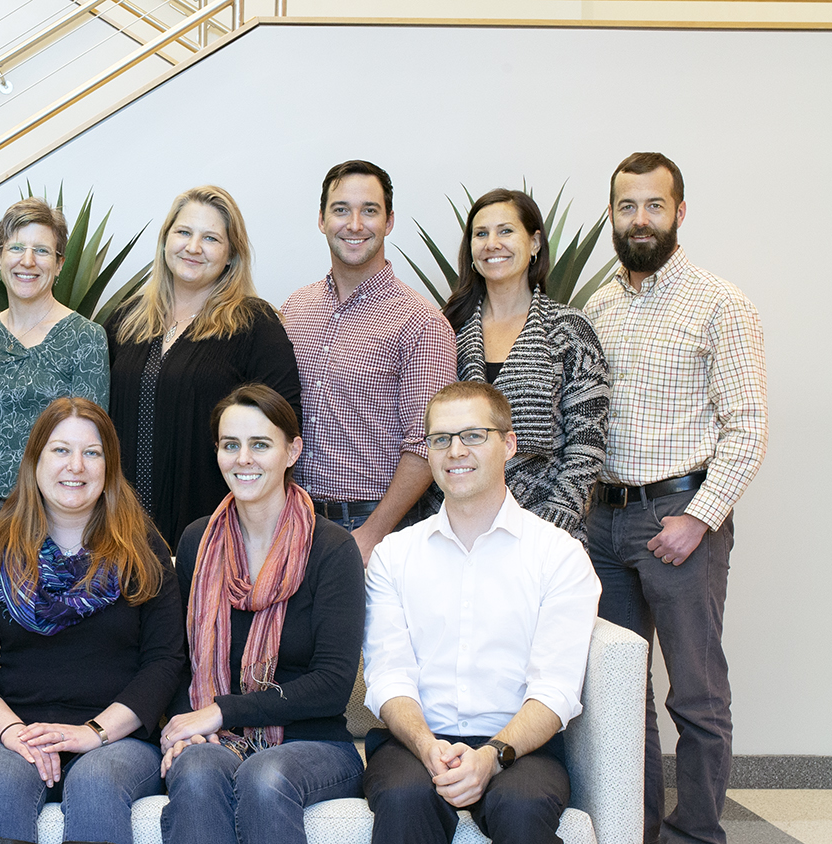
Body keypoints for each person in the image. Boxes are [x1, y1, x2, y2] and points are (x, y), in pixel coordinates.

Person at [584, 152, 767, 844]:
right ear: (612, 215)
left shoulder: (720, 302)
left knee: (695, 693)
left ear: (679, 213)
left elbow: (747, 428)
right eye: (627, 206)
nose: (640, 219)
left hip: (681, 514)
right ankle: (636, 831)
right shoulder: (599, 305)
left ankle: (695, 833)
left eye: (654, 206)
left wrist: (698, 516)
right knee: (620, 692)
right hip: (603, 523)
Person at [361, 381, 599, 844]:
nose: (455, 452)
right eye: (440, 439)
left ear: (508, 444)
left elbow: (555, 688)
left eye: (473, 435)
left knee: (522, 806)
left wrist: (491, 755)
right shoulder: (395, 555)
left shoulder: (559, 555)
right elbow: (389, 677)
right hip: (415, 742)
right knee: (405, 798)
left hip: (520, 745)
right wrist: (428, 746)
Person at [0, 397, 185, 844]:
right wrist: (13, 732)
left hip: (115, 739)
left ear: (109, 467)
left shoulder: (145, 551)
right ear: (35, 461)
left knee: (96, 781)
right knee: (4, 780)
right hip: (12, 735)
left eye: (92, 453)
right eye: (60, 450)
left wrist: (91, 733)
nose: (75, 466)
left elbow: (164, 663)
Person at [159, 384, 364, 844]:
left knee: (264, 775)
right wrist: (188, 731)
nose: (243, 459)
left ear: (293, 451)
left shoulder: (332, 549)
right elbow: (175, 658)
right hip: (217, 739)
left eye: (260, 445)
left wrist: (220, 711)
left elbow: (333, 685)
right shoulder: (196, 542)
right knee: (195, 769)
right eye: (231, 445)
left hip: (313, 744)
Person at [106, 186, 301, 550]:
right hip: (121, 531)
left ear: (230, 255)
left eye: (210, 238)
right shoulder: (125, 320)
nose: (193, 247)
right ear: (165, 241)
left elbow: (283, 424)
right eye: (183, 232)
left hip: (213, 531)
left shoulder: (255, 325)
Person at [281, 160, 456, 563]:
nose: (355, 224)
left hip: (374, 526)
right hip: (294, 521)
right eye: (341, 209)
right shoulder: (295, 307)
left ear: (389, 221)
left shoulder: (421, 322)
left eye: (370, 210)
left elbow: (427, 443)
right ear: (322, 219)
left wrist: (371, 535)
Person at [440, 188, 610, 541]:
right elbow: (435, 437)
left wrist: (543, 532)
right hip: (460, 532)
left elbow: (587, 445)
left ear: (534, 243)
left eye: (506, 231)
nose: (492, 243)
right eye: (481, 234)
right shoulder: (447, 329)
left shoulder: (569, 330)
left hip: (547, 534)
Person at [0, 197, 109, 533]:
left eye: (42, 251)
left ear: (59, 264)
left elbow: (92, 448)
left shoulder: (86, 338)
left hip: (59, 519)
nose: (27, 261)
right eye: (16, 248)